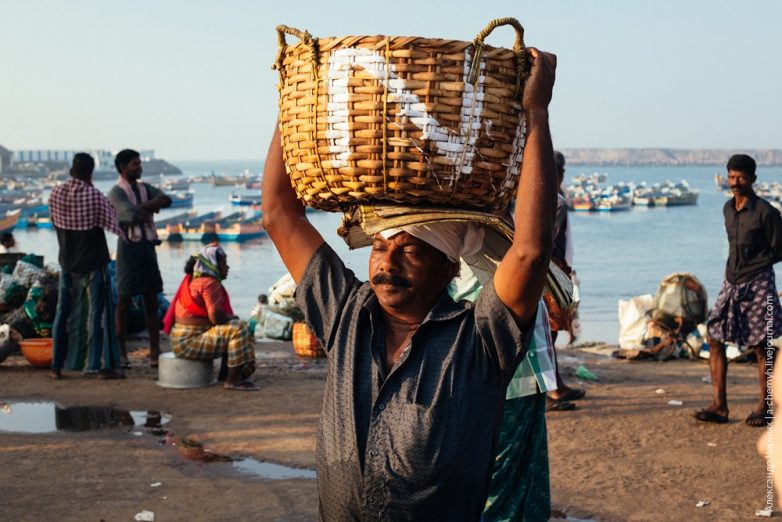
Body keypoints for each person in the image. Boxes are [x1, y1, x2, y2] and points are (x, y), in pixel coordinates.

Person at [263, 47, 558, 519]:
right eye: (380, 247)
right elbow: (279, 214)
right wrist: (294, 100)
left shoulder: (480, 340)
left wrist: (536, 113)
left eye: (411, 249)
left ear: (448, 268)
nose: (387, 263)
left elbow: (529, 250)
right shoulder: (347, 314)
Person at [696, 154, 782, 426]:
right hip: (731, 281)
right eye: (731, 177)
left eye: (741, 178)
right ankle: (720, 406)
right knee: (715, 335)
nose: (735, 182)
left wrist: (756, 265)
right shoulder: (727, 208)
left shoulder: (766, 212)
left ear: (753, 179)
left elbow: (779, 249)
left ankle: (766, 408)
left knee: (762, 346)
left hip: (758, 282)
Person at [48, 153, 125, 379]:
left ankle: (57, 365)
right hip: (93, 263)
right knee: (98, 314)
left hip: (67, 262)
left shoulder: (55, 193)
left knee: (63, 312)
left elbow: (55, 223)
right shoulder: (95, 196)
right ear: (90, 172)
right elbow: (115, 226)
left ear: (72, 169)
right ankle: (99, 365)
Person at [162, 243, 257, 390]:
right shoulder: (210, 284)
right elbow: (216, 318)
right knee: (237, 328)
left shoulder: (194, 280)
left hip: (179, 340)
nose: (228, 267)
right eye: (224, 263)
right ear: (213, 265)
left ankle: (225, 375)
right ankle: (232, 381)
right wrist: (232, 318)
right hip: (189, 342)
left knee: (231, 328)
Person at [108, 149, 171, 368]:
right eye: (135, 164)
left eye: (139, 163)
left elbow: (166, 199)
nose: (140, 167)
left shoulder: (144, 188)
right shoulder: (116, 192)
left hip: (147, 246)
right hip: (128, 249)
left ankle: (155, 353)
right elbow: (130, 216)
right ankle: (121, 353)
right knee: (124, 300)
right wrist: (147, 209)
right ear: (123, 167)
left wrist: (142, 208)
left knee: (152, 298)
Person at [544, 151, 585, 411]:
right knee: (550, 331)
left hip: (550, 271)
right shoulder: (557, 203)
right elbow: (550, 241)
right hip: (553, 272)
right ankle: (553, 388)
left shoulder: (541, 200)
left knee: (548, 331)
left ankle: (555, 384)